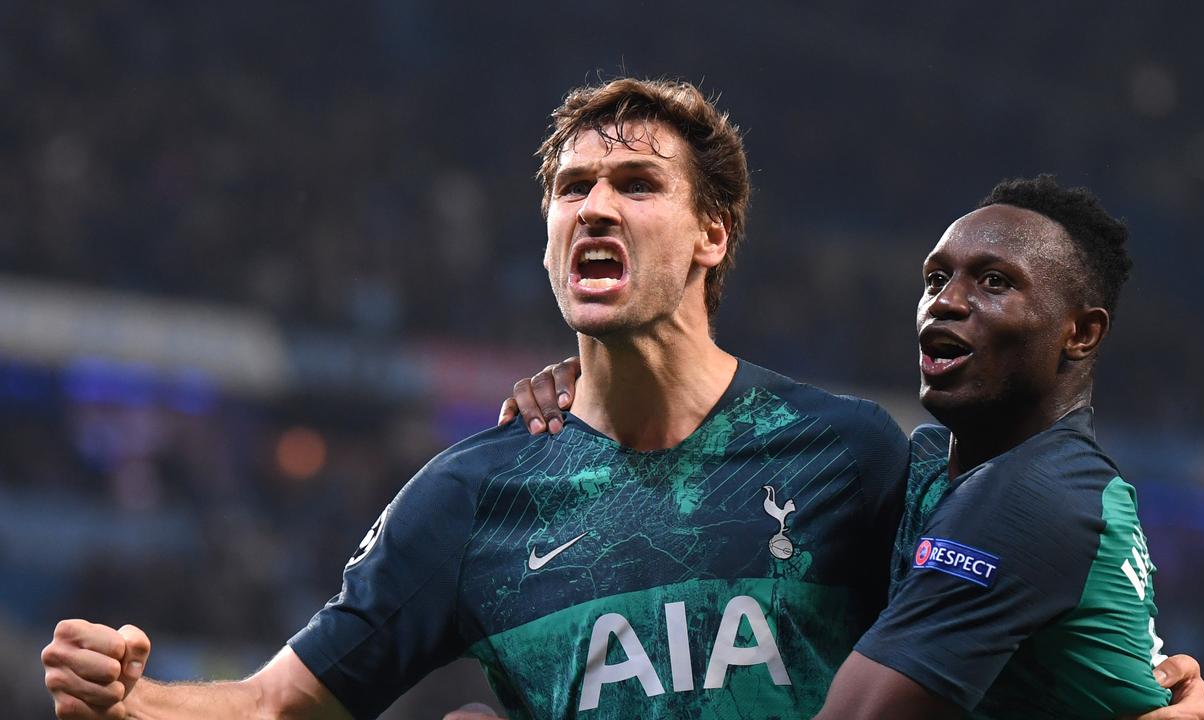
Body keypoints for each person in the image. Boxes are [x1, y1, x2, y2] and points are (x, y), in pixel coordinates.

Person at [41, 79, 913, 719]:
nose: (595, 207)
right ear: (546, 243)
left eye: (637, 185)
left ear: (711, 236)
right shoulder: (472, 495)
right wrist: (132, 702)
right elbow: (277, 705)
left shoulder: (848, 453)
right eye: (573, 188)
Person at [501, 178, 1204, 719]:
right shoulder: (939, 465)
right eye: (936, 278)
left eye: (995, 282)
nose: (947, 301)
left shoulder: (1033, 498)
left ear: (1080, 333)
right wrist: (599, 385)